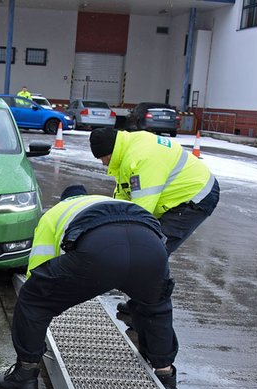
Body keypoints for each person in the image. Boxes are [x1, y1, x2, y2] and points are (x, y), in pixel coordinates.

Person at [0, 185, 180, 389]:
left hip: (99, 250)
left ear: (64, 199)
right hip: (152, 249)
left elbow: (40, 269)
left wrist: (45, 294)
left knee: (33, 300)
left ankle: (24, 375)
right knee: (155, 308)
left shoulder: (58, 211)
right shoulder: (111, 201)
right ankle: (166, 377)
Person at [89, 126, 220, 322]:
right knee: (144, 250)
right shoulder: (127, 151)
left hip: (195, 198)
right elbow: (125, 196)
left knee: (152, 251)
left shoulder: (141, 159)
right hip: (179, 199)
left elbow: (141, 212)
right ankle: (139, 305)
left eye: (102, 158)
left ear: (109, 152)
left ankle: (152, 312)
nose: (102, 163)